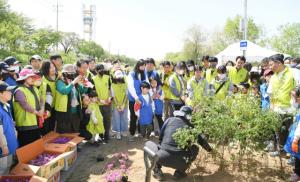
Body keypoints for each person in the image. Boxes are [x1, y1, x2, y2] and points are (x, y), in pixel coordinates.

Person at [144, 106, 212, 181]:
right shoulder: (192, 127)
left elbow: (160, 138)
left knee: (148, 144)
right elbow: (202, 141)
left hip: (162, 157)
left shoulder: (169, 120)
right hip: (181, 162)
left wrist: (162, 148)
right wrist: (210, 150)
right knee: (195, 148)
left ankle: (157, 171)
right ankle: (179, 173)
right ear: (189, 116)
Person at [267, 54, 296, 157]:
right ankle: (281, 151)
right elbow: (270, 93)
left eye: (271, 65)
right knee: (278, 131)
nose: (270, 67)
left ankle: (293, 155)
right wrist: (271, 107)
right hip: (277, 109)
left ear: (279, 63)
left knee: (292, 133)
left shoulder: (293, 73)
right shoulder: (274, 77)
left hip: (291, 109)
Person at [55, 64, 88, 133]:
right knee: (65, 131)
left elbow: (83, 90)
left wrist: (85, 84)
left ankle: (75, 144)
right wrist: (73, 83)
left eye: (73, 73)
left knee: (75, 129)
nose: (72, 74)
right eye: (69, 73)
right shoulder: (60, 81)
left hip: (76, 111)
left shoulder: (74, 80)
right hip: (64, 111)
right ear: (64, 73)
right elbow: (64, 91)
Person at [13, 69, 42, 147]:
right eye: (30, 77)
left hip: (35, 121)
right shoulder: (19, 90)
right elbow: (24, 104)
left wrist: (42, 109)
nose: (33, 79)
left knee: (35, 145)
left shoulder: (35, 88)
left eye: (33, 77)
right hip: (25, 124)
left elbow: (41, 99)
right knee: (26, 146)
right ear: (24, 79)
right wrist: (37, 113)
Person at [0, 82, 18, 175]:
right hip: (4, 147)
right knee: (2, 170)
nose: (11, 93)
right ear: (0, 93)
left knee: (8, 168)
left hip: (11, 144)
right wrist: (4, 146)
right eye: (8, 91)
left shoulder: (7, 105)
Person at [283, 86, 300, 182]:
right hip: (297, 135)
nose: (293, 99)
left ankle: (297, 173)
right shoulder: (298, 106)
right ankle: (297, 172)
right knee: (297, 156)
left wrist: (295, 139)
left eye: (294, 97)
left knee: (298, 156)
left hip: (298, 138)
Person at [92, 64, 112, 143]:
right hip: (98, 104)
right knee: (99, 120)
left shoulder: (107, 78)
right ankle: (100, 135)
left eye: (102, 69)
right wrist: (100, 100)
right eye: (99, 69)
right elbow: (93, 93)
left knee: (107, 120)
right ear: (96, 71)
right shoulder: (93, 79)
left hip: (107, 103)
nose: (101, 71)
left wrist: (109, 98)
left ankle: (107, 135)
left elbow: (110, 89)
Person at [127, 60, 146, 141]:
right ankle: (132, 134)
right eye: (142, 66)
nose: (143, 67)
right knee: (133, 117)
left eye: (144, 66)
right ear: (138, 65)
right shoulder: (131, 74)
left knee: (141, 116)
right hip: (133, 99)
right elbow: (130, 87)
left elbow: (146, 84)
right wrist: (135, 97)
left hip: (142, 99)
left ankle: (140, 132)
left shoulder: (143, 74)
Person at [111, 70, 128, 140]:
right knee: (117, 118)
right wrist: (117, 105)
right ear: (115, 77)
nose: (119, 79)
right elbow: (113, 96)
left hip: (124, 104)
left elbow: (126, 95)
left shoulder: (125, 84)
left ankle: (123, 131)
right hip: (116, 104)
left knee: (124, 118)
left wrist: (123, 104)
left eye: (120, 77)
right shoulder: (113, 85)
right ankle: (118, 132)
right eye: (117, 77)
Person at [40, 60, 57, 132]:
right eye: (50, 68)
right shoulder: (43, 80)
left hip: (56, 106)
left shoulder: (59, 77)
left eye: (53, 66)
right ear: (46, 69)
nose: (53, 69)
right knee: (46, 128)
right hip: (46, 108)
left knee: (53, 127)